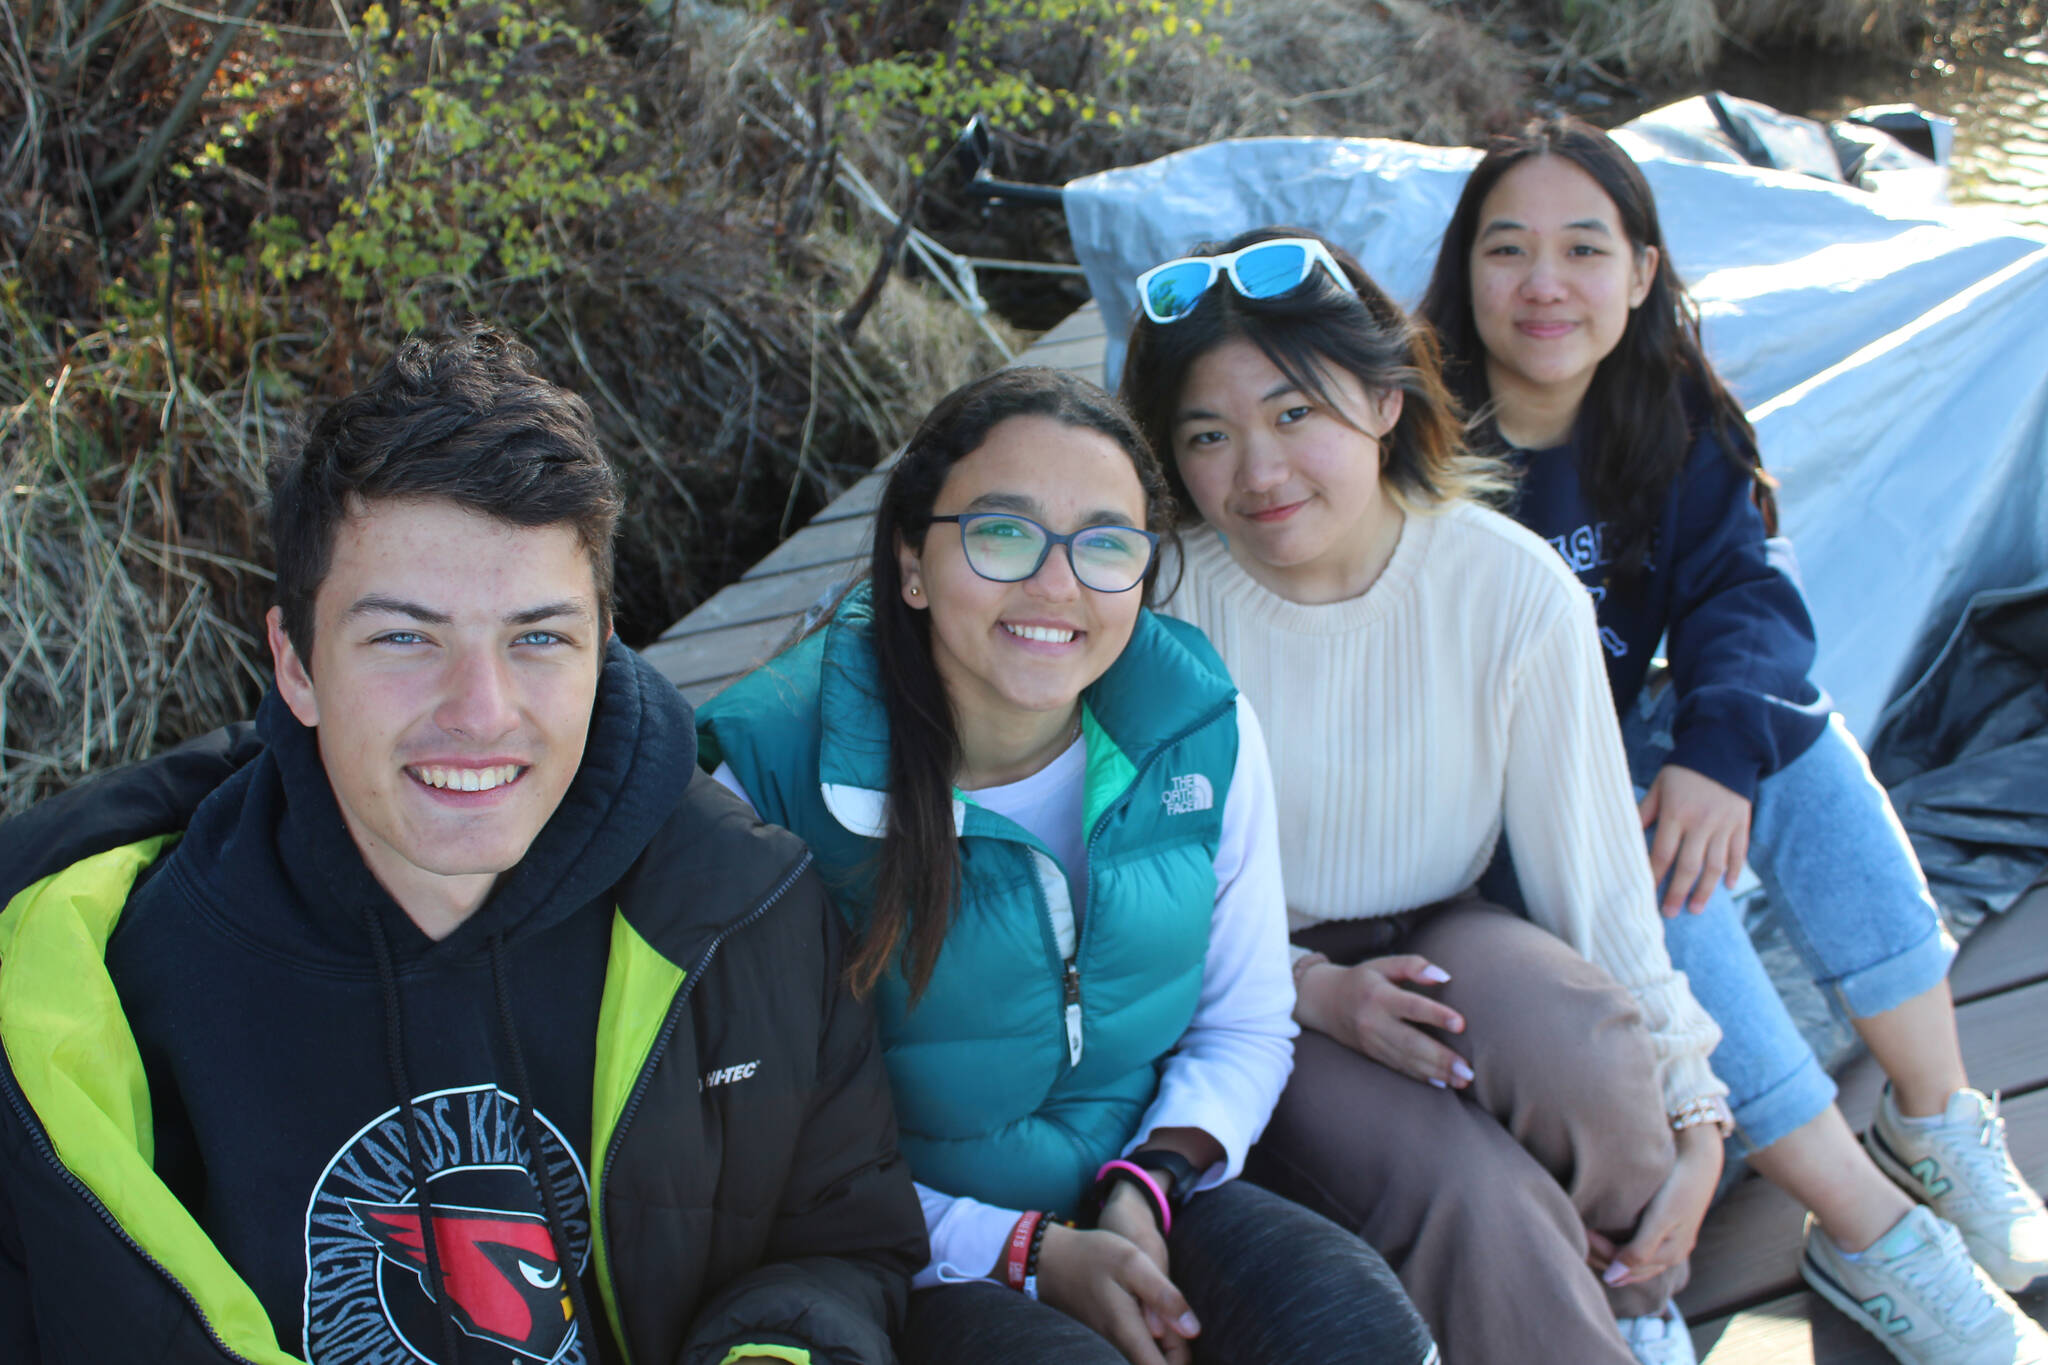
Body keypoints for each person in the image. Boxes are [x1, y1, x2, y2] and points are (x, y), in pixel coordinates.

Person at [0, 327, 926, 1365]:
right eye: (404, 638)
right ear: (295, 666)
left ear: (602, 646)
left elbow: (839, 1240)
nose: (481, 713)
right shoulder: (113, 984)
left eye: (538, 637)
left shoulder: (737, 908)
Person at [1418, 115, 2048, 1364]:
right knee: (1660, 870)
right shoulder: (1416, 442)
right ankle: (1863, 1231)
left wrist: (1716, 755)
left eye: (1583, 249)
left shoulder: (1662, 410)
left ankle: (1934, 1117)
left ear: (1641, 272)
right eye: (1507, 250)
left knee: (1786, 738)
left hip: (1607, 752)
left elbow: (1746, 596)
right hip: (1474, 818)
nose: (1545, 284)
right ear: (1462, 270)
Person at [695, 366, 1437, 1365]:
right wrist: (1027, 1254)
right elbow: (758, 1152)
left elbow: (1244, 1022)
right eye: (1002, 534)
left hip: (1134, 1196)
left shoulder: (1196, 729)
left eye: (1103, 546)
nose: (1055, 585)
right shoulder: (768, 779)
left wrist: (1146, 1188)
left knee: (1353, 1327)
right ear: (911, 562)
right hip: (897, 1253)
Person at [1117, 228, 1729, 1365]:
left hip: (1437, 922)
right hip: (1246, 988)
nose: (1257, 473)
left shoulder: (1505, 586)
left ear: (1386, 398)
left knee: (1588, 1061)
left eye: (1295, 412)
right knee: (1466, 1196)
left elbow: (1595, 891)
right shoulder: (1161, 614)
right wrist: (1316, 990)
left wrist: (1691, 1109)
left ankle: (1629, 1297)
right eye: (1208, 435)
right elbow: (1133, 892)